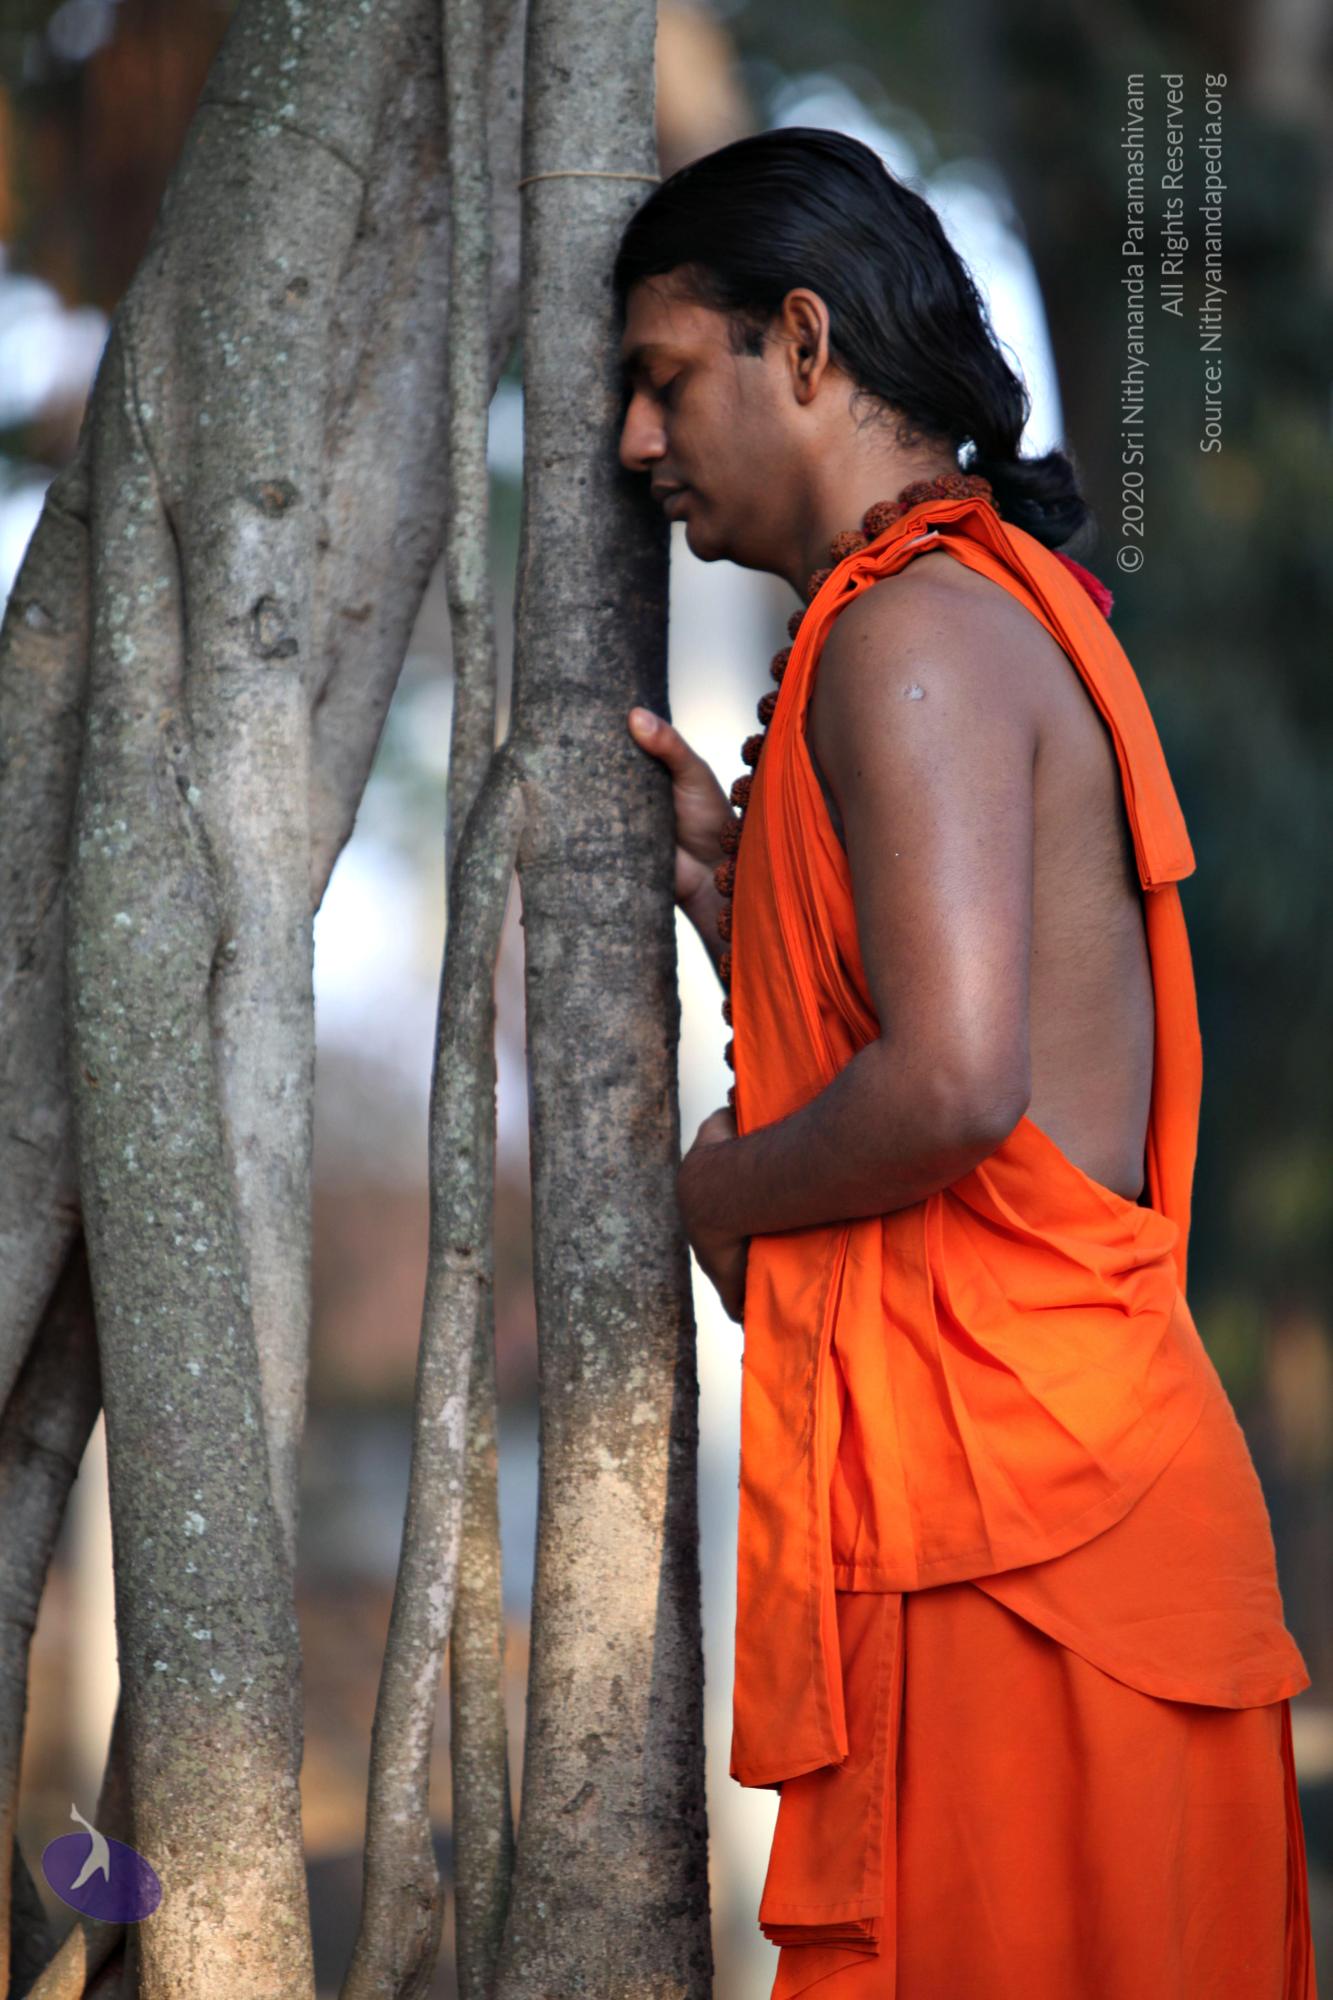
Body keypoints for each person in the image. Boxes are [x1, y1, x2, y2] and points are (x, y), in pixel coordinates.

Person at [615, 129, 1318, 1998]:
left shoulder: (909, 636)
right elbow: (935, 1053)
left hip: (1031, 1551)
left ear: (804, 342)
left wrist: (707, 1190)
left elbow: (946, 1090)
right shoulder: (954, 616)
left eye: (664, 377)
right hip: (1044, 1519)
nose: (631, 441)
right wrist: (739, 904)